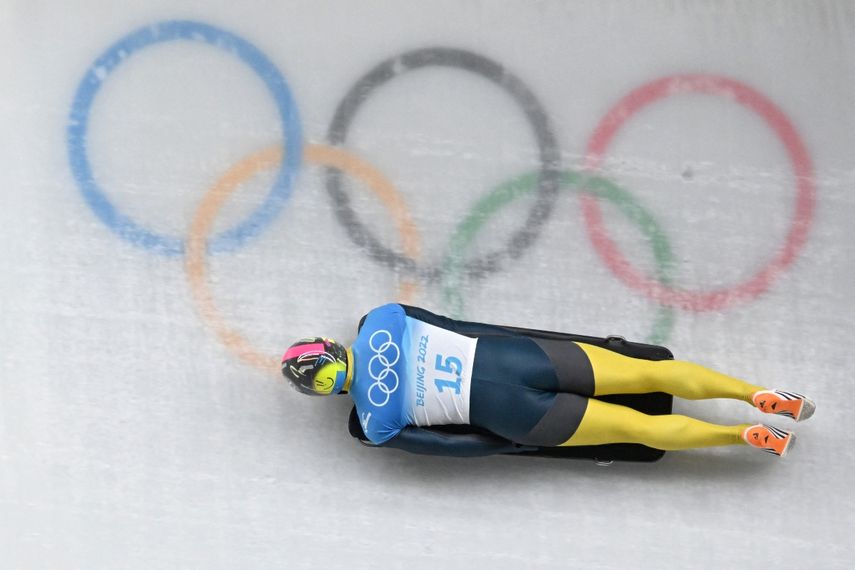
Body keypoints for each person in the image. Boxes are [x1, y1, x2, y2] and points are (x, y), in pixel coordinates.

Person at [281, 303, 815, 458]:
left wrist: (506, 444)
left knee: (636, 429)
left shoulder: (374, 425)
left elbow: (451, 447)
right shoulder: (382, 318)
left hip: (518, 418)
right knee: (648, 373)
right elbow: (457, 324)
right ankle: (756, 395)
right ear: (327, 345)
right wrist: (514, 343)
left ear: (321, 389)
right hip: (518, 359)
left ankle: (743, 436)